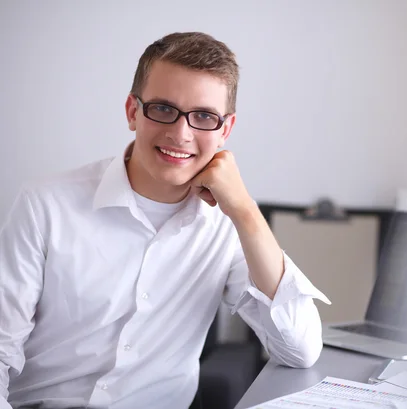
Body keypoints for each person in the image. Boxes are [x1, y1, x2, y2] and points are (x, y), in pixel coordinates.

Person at [0, 32, 330, 409]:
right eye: (162, 108)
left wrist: (244, 210)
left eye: (204, 116)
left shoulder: (226, 225)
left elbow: (299, 349)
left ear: (225, 129)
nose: (181, 133)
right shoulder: (45, 205)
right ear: (132, 111)